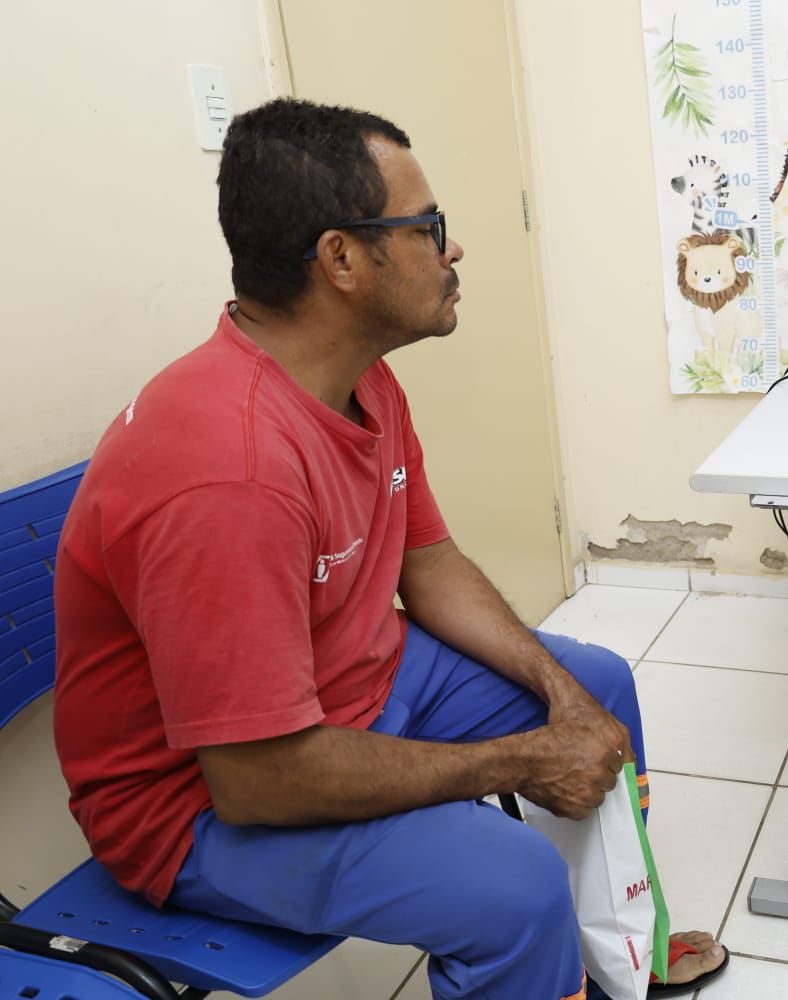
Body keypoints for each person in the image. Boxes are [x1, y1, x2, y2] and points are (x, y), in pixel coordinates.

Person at [52, 99, 728, 1000]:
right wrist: (527, 757)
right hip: (203, 804)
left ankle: (619, 955)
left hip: (352, 683)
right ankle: (547, 950)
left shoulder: (362, 380)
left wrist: (557, 694)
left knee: (597, 683)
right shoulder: (229, 470)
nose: (453, 251)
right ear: (341, 258)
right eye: (428, 228)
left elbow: (431, 563)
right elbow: (261, 779)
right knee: (512, 887)